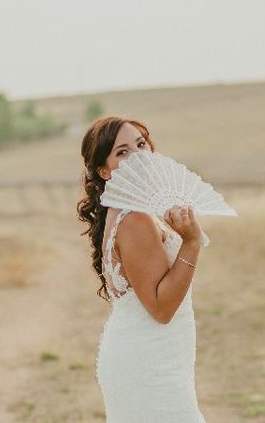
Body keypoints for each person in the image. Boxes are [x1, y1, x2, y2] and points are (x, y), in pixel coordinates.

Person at [77, 115, 208, 422]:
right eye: (122, 152)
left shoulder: (128, 211)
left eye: (140, 145)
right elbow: (161, 308)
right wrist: (191, 242)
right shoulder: (135, 218)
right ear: (104, 170)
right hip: (149, 364)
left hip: (152, 356)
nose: (137, 155)